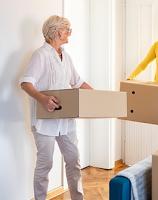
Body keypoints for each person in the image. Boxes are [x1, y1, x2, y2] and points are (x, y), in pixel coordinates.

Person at [20, 15, 92, 200]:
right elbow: (26, 83)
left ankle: (78, 198)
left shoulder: (65, 56)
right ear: (58, 32)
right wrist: (42, 99)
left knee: (73, 161)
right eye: (67, 30)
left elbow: (77, 81)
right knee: (46, 164)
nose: (69, 33)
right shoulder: (40, 55)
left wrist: (99, 96)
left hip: (65, 120)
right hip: (45, 122)